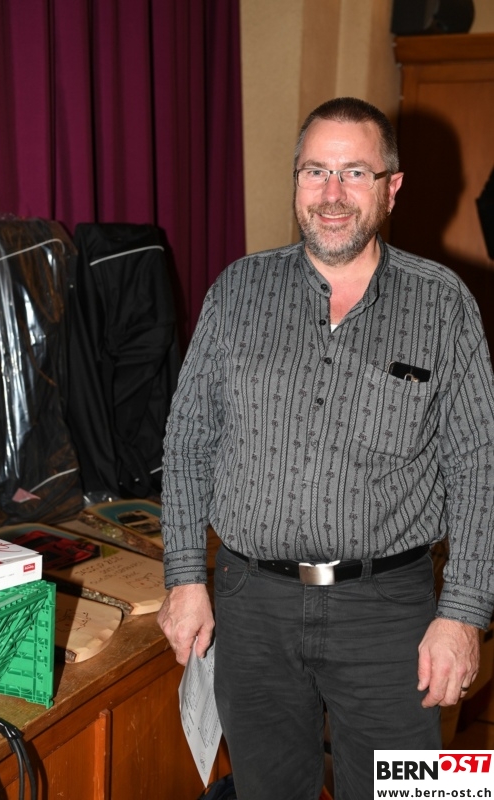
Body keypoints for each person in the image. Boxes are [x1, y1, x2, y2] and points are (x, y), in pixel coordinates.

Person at [157, 97, 494, 800]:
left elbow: (478, 469)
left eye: (354, 173)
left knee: (414, 793)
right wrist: (184, 576)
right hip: (251, 606)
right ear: (296, 180)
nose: (332, 194)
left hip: (391, 614)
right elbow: (188, 438)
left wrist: (463, 614)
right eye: (315, 171)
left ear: (391, 187)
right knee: (265, 791)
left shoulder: (445, 304)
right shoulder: (237, 290)